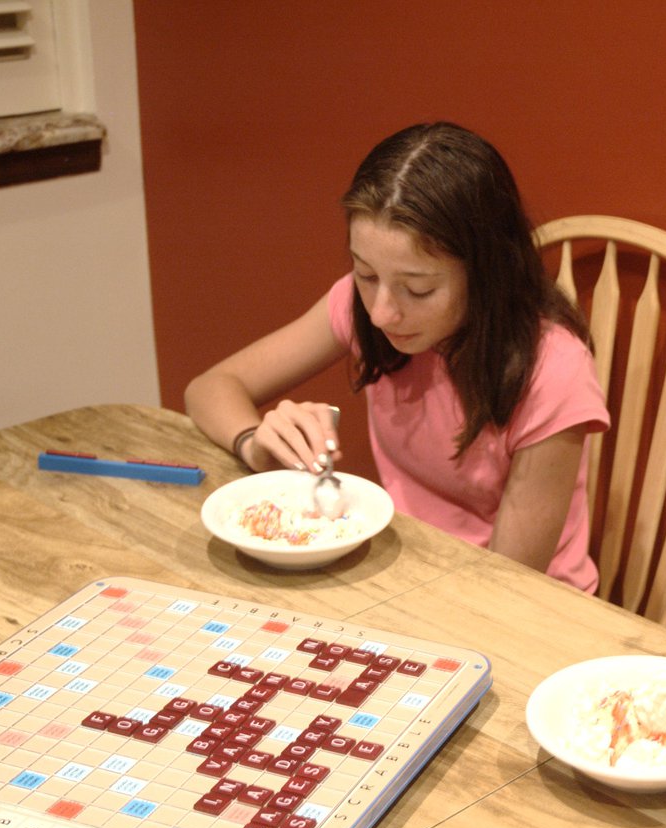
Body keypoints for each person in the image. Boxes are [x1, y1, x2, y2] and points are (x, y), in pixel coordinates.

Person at [185, 121, 610, 592]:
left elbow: (507, 584)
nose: (382, 312)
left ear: (487, 273)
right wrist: (254, 444)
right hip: (408, 571)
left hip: (521, 604)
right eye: (366, 274)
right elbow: (209, 388)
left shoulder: (553, 370)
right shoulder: (363, 307)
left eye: (418, 289)